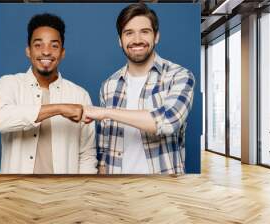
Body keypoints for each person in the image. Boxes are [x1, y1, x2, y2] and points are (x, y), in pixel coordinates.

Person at [83, 3, 195, 174]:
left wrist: (106, 112)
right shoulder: (109, 85)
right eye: (129, 33)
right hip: (118, 188)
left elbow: (168, 121)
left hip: (163, 189)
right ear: (120, 40)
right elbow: (105, 144)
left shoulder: (179, 76)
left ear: (156, 36)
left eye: (144, 31)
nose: (137, 40)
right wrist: (103, 176)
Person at [0, 13, 97, 174]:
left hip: (64, 192)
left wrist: (82, 190)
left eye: (54, 45)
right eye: (38, 45)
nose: (46, 52)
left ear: (62, 52)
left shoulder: (80, 95)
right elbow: (0, 120)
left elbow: (87, 153)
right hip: (17, 191)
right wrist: (59, 108)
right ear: (28, 51)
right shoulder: (9, 83)